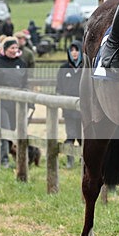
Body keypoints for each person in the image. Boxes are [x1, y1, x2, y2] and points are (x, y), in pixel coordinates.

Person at [0, 37, 28, 168]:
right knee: (5, 129)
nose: (14, 51)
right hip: (1, 103)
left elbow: (25, 83)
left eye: (16, 48)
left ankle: (12, 155)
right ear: (5, 49)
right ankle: (4, 160)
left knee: (14, 130)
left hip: (17, 103)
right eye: (12, 48)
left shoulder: (21, 63)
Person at [55, 40, 83, 168]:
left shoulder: (86, 68)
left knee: (84, 138)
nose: (74, 53)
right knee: (70, 135)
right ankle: (70, 161)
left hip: (84, 110)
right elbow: (59, 88)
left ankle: (85, 161)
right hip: (69, 110)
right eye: (71, 50)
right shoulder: (63, 69)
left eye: (76, 50)